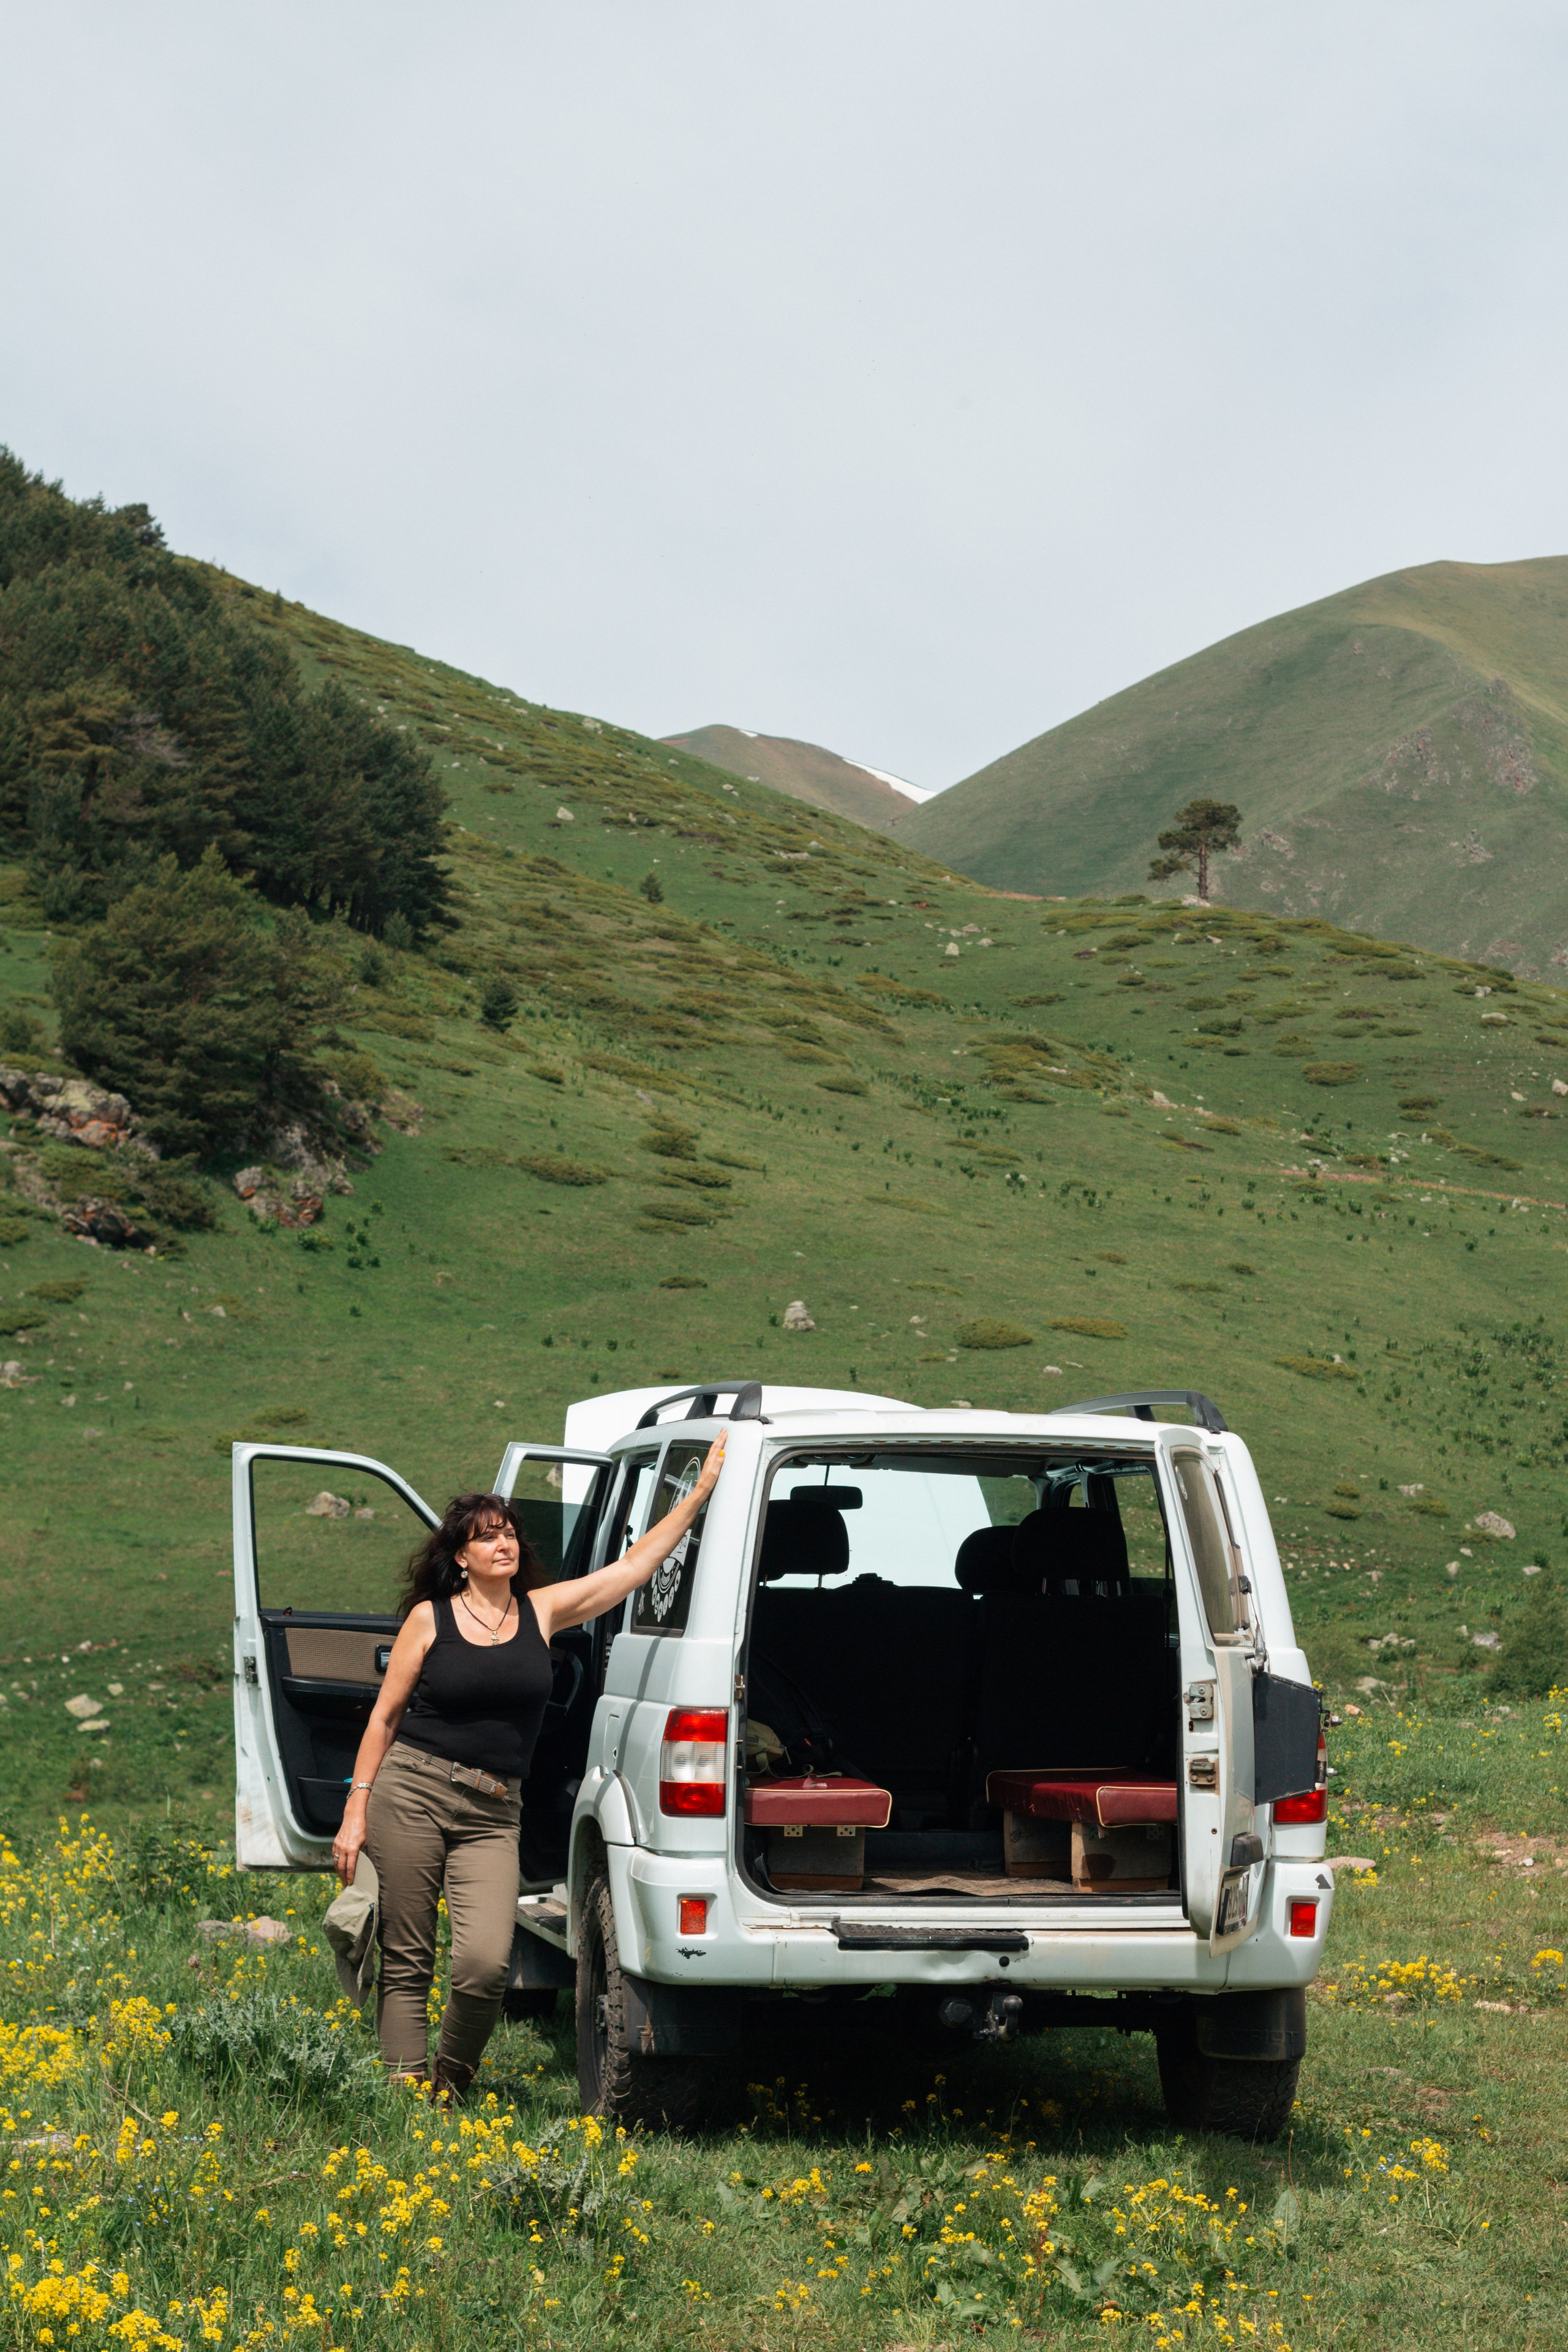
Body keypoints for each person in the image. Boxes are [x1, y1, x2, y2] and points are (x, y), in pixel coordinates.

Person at [333, 1431, 726, 2100]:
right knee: (407, 1958)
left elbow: (631, 1570)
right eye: (487, 1537)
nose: (504, 1544)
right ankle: (405, 2097)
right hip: (413, 1792)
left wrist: (699, 1495)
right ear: (462, 1557)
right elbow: (384, 1718)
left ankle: (450, 2081)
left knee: (485, 1964)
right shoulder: (430, 1621)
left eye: (510, 1533)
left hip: (493, 1809)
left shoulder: (541, 1611)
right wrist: (355, 1810)